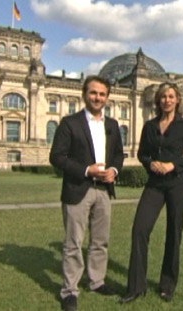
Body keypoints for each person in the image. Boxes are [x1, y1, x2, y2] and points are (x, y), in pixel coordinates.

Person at [49, 76, 124, 311]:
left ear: (107, 97)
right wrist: (85, 170)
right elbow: (57, 157)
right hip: (78, 189)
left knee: (100, 241)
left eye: (102, 94)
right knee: (73, 242)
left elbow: (119, 155)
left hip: (103, 190)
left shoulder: (112, 125)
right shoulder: (69, 122)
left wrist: (113, 170)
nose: (98, 98)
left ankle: (96, 281)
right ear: (84, 94)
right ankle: (70, 290)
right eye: (93, 93)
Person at [120, 82, 183, 304]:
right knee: (139, 229)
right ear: (158, 100)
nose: (167, 100)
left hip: (177, 183)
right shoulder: (149, 126)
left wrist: (173, 165)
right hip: (155, 183)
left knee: (174, 233)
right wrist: (151, 163)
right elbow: (142, 153)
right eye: (163, 97)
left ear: (177, 100)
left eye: (171, 96)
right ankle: (136, 287)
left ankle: (167, 285)